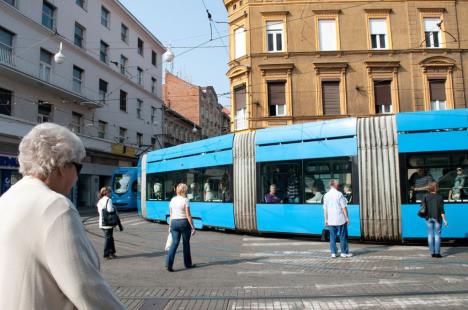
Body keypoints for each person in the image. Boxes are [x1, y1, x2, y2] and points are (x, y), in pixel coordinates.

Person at [0, 123, 125, 309]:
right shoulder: (55, 206)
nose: (76, 179)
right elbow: (87, 289)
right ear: (61, 167)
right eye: (78, 168)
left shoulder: (7, 199)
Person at [166, 183, 196, 272]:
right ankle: (188, 264)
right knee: (186, 243)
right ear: (184, 191)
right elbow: (188, 215)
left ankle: (168, 264)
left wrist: (170, 225)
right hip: (184, 222)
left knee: (174, 243)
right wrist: (193, 227)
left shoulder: (172, 200)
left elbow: (171, 215)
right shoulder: (185, 200)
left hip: (174, 222)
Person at [323, 179, 352, 258]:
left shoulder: (326, 195)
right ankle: (344, 253)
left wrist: (326, 219)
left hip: (331, 220)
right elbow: (344, 207)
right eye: (337, 184)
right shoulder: (339, 194)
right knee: (343, 236)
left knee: (332, 237)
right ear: (333, 185)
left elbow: (325, 208)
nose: (338, 185)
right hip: (340, 219)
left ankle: (333, 253)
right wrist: (347, 218)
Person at [424, 182, 448, 258]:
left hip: (428, 218)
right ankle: (437, 253)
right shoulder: (439, 197)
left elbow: (423, 207)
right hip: (437, 218)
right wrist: (445, 220)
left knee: (430, 235)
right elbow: (442, 210)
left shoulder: (425, 196)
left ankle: (432, 253)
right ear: (436, 188)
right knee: (437, 235)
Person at [97, 186, 122, 259]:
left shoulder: (100, 200)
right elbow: (110, 210)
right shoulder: (109, 200)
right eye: (110, 192)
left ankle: (112, 252)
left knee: (110, 237)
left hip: (102, 222)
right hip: (108, 222)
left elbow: (100, 211)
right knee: (108, 238)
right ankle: (106, 254)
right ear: (107, 193)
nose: (111, 193)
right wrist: (114, 208)